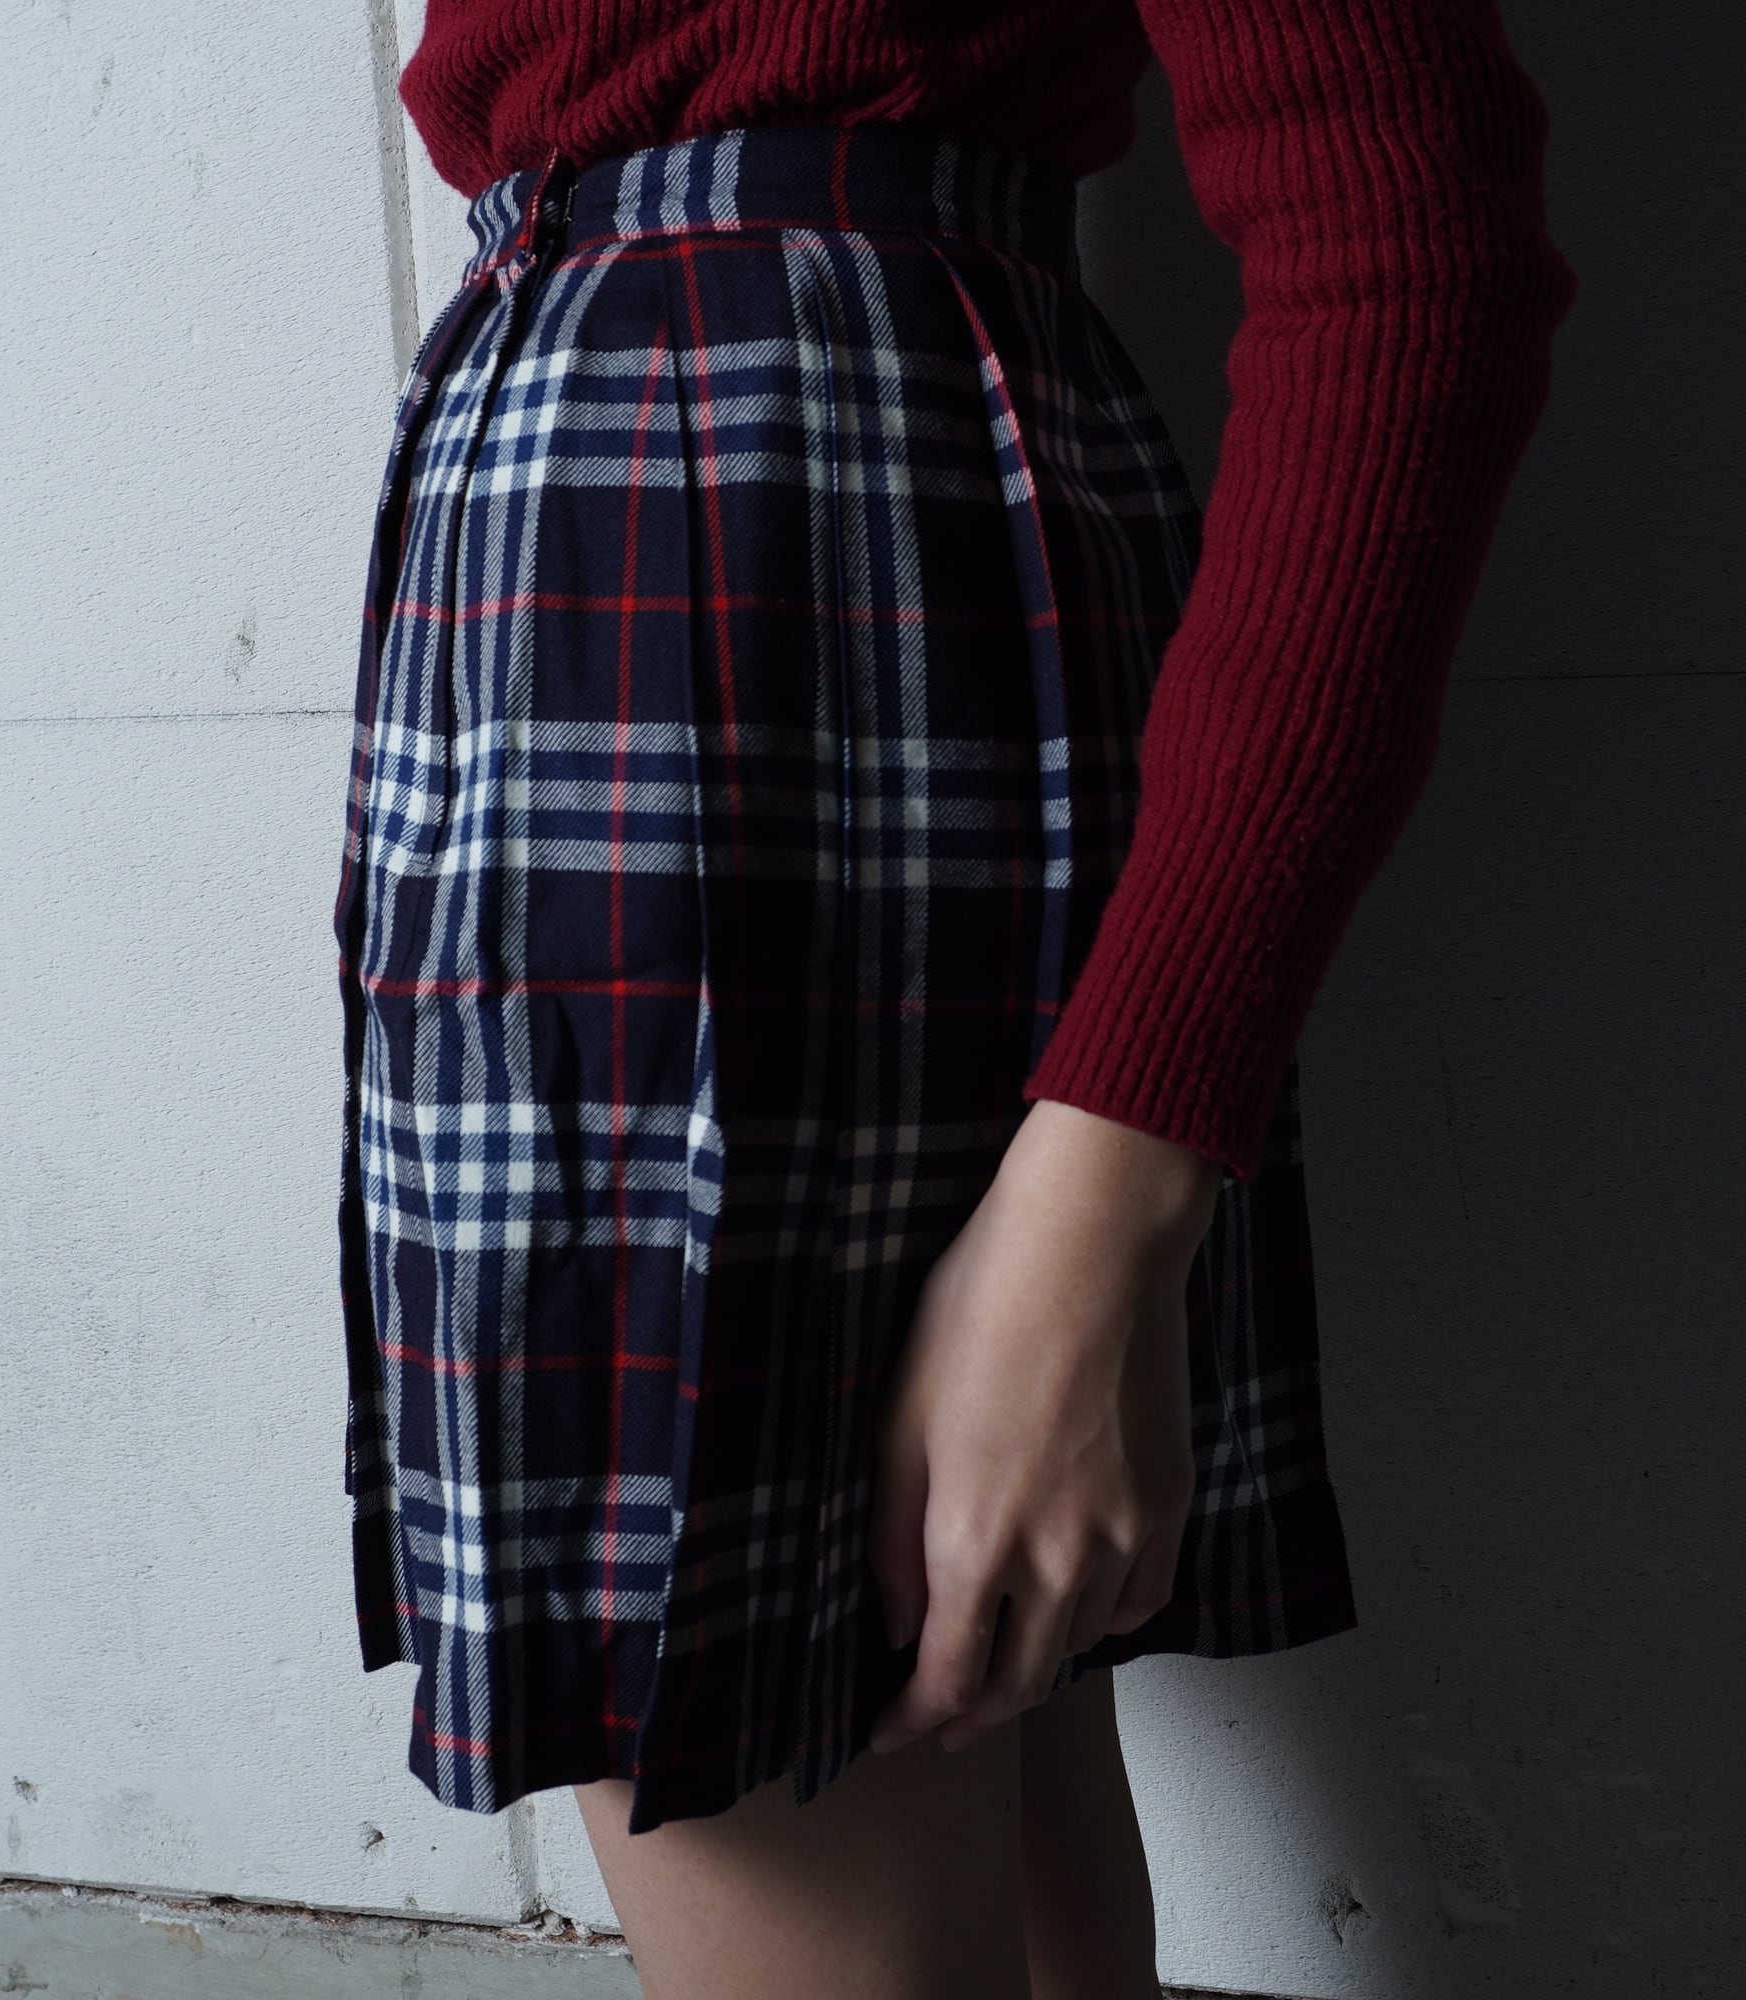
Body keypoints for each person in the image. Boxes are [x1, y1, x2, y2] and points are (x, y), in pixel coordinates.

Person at [328, 3, 1577, 1994]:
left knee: (819, 1724)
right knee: (964, 1742)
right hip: (643, 558)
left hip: (779, 580)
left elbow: (1404, 257)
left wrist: (1106, 1196)